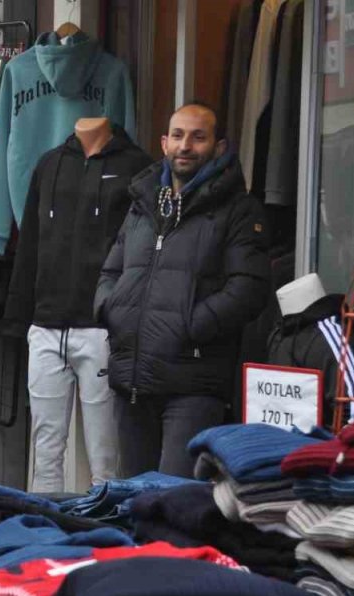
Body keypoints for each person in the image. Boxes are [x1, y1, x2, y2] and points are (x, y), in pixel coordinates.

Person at [95, 103, 270, 477]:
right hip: (133, 381)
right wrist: (111, 311)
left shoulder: (238, 209)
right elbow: (111, 269)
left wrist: (191, 326)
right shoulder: (143, 204)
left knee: (176, 505)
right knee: (133, 503)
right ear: (163, 143)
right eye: (177, 136)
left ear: (220, 147)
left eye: (198, 136)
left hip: (192, 384)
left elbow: (249, 288)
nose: (185, 146)